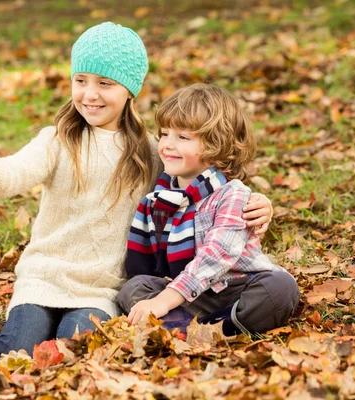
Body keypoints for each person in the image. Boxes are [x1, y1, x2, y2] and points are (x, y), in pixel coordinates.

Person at [0, 23, 273, 362]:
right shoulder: (57, 141)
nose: (90, 94)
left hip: (101, 289)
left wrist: (259, 204)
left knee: (77, 352)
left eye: (104, 83)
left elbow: (204, 187)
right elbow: (8, 178)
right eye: (80, 81)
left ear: (130, 90)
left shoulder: (152, 151)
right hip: (44, 278)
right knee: (16, 350)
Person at [117, 83, 300, 337]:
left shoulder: (232, 194)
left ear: (216, 144)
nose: (167, 145)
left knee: (280, 287)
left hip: (235, 288)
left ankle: (212, 328)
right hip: (191, 297)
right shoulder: (157, 199)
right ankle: (189, 330)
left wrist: (163, 302)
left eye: (182, 137)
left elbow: (216, 254)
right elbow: (145, 269)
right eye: (165, 133)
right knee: (133, 288)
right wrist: (155, 297)